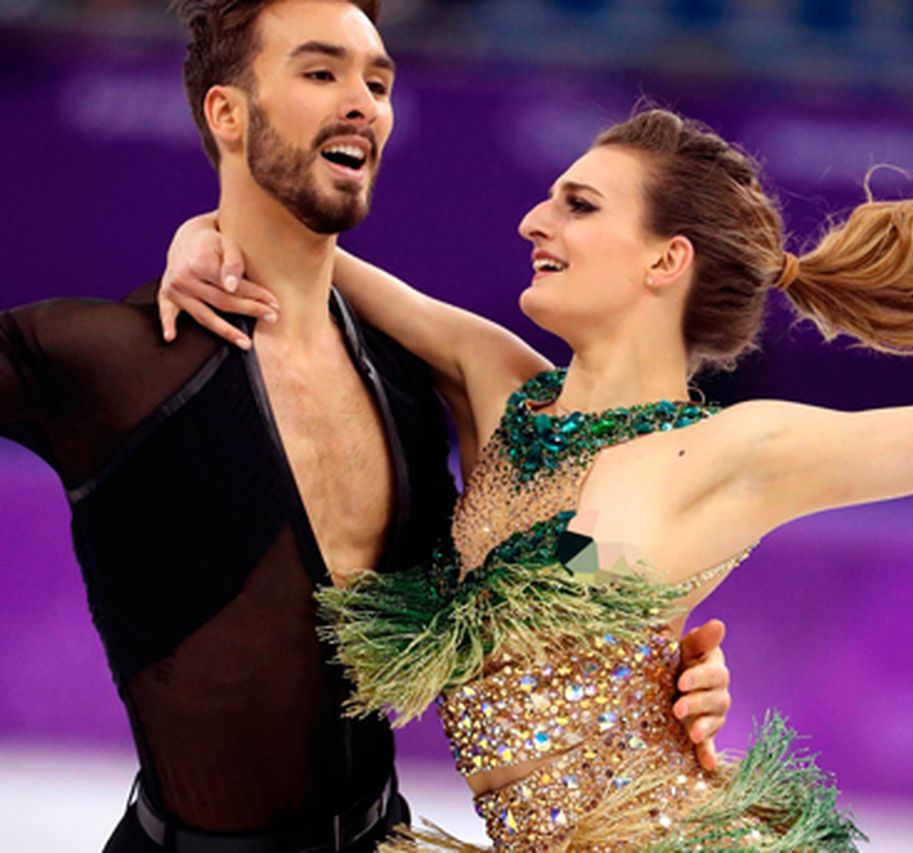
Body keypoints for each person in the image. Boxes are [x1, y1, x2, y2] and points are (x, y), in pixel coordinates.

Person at [162, 107, 913, 851]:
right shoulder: (496, 384)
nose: (531, 219)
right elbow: (276, 243)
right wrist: (191, 239)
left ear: (665, 260)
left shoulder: (737, 451)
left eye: (577, 204)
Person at [0, 2, 730, 850]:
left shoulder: (421, 386)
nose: (363, 102)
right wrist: (203, 228)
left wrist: (659, 665)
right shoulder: (108, 359)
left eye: (377, 81)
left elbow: (575, 559)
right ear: (227, 113)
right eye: (320, 73)